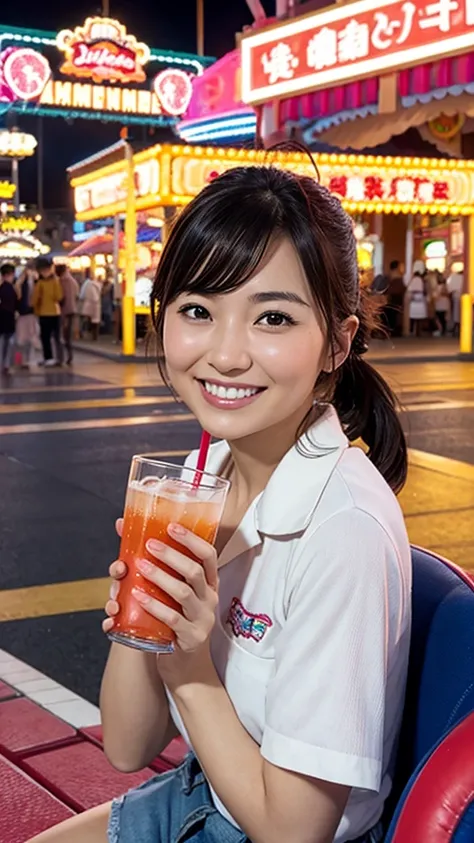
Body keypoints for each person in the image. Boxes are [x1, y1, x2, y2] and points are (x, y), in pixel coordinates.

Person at [28, 167, 411, 843]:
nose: (226, 354)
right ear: (164, 318)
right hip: (199, 795)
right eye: (199, 310)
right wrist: (140, 618)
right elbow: (124, 745)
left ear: (339, 343)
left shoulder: (342, 528)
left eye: (273, 317)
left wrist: (186, 661)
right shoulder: (204, 470)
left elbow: (296, 832)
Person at [32, 257, 64, 367]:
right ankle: (52, 357)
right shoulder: (55, 281)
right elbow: (58, 296)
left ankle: (50, 357)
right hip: (52, 312)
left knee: (46, 336)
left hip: (46, 312)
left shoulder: (40, 283)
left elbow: (35, 299)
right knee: (51, 336)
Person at [15, 264, 39, 369]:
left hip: (27, 313)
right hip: (25, 313)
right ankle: (21, 360)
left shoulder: (31, 281)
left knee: (25, 339)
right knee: (23, 339)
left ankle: (23, 360)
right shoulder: (21, 283)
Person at [56, 263, 79, 365]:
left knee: (61, 336)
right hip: (72, 309)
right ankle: (69, 356)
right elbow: (76, 295)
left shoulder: (62, 281)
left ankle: (61, 358)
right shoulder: (73, 281)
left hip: (64, 311)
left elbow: (61, 297)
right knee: (67, 335)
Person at [0, 263, 17, 374]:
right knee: (8, 342)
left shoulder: (2, 288)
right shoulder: (10, 288)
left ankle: (4, 363)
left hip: (3, 317)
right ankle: (6, 364)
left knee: (3, 342)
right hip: (8, 317)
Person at [405, 259, 427, 337]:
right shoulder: (422, 280)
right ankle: (418, 331)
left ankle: (413, 331)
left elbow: (410, 289)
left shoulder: (413, 280)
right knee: (419, 317)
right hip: (419, 300)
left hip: (414, 300)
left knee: (414, 317)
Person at [384, 260, 405, 337]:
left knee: (392, 316)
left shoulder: (388, 277)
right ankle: (393, 331)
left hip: (391, 300)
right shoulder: (397, 279)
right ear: (397, 267)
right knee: (393, 316)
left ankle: (391, 331)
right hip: (393, 300)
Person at [79, 275, 102, 340]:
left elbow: (82, 295)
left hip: (88, 303)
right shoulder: (99, 285)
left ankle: (82, 332)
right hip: (97, 304)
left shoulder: (87, 284)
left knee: (85, 318)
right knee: (95, 321)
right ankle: (95, 336)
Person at [446, 263, 463, 336]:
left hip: (455, 297)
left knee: (455, 313)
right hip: (463, 297)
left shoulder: (452, 277)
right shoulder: (464, 277)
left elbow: (449, 288)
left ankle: (456, 328)